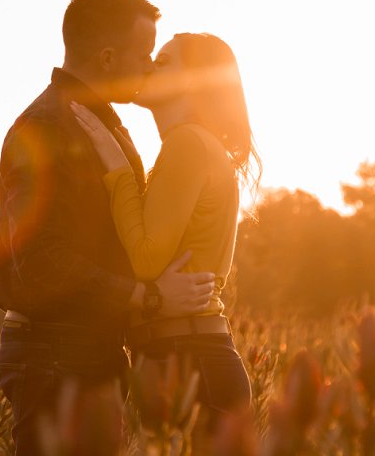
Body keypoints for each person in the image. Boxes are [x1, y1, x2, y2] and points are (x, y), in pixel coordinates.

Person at [0, 0, 218, 455]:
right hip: (55, 355)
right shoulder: (47, 127)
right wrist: (147, 297)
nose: (151, 65)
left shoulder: (99, 123)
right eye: (145, 54)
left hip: (85, 353)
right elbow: (38, 259)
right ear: (109, 57)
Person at [71, 31, 260, 432]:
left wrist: (116, 167)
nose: (148, 66)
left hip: (190, 361)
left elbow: (146, 258)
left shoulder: (188, 144)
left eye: (164, 61)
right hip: (187, 358)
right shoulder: (192, 145)